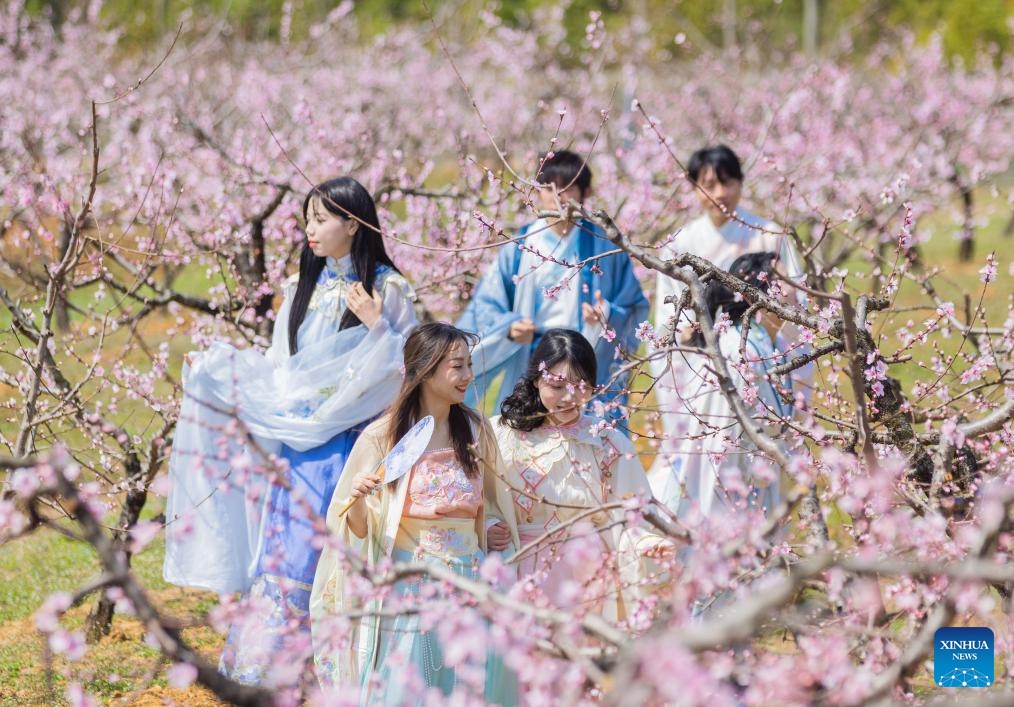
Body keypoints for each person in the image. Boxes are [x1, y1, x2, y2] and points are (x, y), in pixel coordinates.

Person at [163, 176, 418, 687]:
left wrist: (380, 329)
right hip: (302, 443)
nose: (309, 230)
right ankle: (271, 674)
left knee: (339, 549)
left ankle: (340, 677)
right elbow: (282, 368)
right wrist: (220, 371)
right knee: (288, 550)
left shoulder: (389, 289)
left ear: (353, 223)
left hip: (356, 444)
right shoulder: (300, 288)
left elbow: (411, 365)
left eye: (320, 219)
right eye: (306, 219)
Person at [309, 322, 519, 705]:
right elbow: (357, 529)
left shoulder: (476, 430)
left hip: (470, 580)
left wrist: (487, 527)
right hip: (410, 586)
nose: (468, 376)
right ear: (425, 369)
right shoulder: (382, 437)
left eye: (469, 365)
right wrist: (356, 499)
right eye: (458, 366)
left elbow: (491, 501)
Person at [487, 329, 671, 626]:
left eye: (580, 386)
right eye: (557, 386)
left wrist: (646, 542)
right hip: (522, 567)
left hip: (589, 572)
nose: (569, 398)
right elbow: (478, 497)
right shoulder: (500, 435)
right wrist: (487, 526)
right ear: (537, 379)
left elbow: (632, 513)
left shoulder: (607, 441)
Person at [649, 144, 806, 482]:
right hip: (701, 364)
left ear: (741, 184)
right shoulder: (681, 243)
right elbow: (669, 317)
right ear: (694, 187)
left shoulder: (770, 236)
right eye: (708, 183)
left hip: (761, 359)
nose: (720, 193)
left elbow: (796, 312)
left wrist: (774, 330)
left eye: (728, 183)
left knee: (758, 458)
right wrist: (689, 336)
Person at [457, 150, 648, 426]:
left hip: (583, 353)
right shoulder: (520, 246)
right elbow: (487, 304)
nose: (559, 197)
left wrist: (606, 314)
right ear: (539, 190)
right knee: (526, 434)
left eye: (569, 188)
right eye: (551, 188)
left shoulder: (605, 247)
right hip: (533, 355)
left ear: (586, 192)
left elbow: (634, 306)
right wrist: (509, 328)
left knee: (589, 437)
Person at [650, 252, 798, 520]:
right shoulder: (736, 354)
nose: (797, 287)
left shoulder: (776, 347)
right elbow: (716, 449)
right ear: (757, 295)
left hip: (760, 489)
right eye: (786, 281)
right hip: (725, 498)